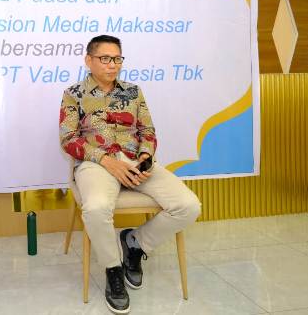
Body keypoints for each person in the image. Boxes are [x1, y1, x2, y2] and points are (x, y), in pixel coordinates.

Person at [59, 35, 201, 314]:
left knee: (189, 206)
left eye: (117, 59)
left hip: (135, 162)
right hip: (96, 163)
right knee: (96, 208)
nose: (112, 64)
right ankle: (113, 270)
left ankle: (135, 243)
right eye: (105, 58)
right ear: (89, 60)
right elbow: (68, 139)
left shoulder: (133, 92)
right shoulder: (73, 93)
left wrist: (145, 158)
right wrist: (106, 161)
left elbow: (147, 131)